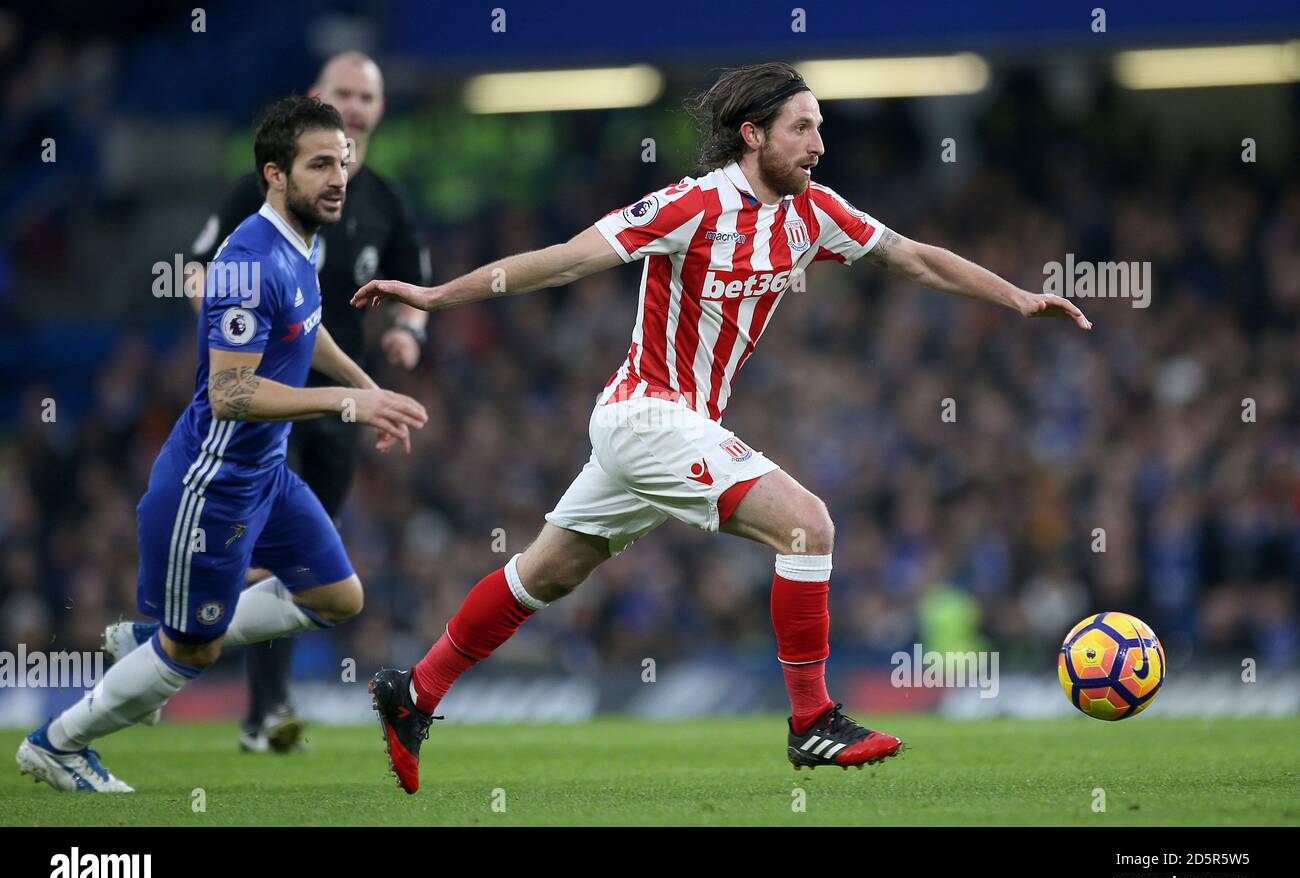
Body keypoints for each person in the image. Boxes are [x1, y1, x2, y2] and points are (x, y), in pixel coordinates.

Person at [352, 63, 1091, 794]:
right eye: (802, 128)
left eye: (821, 128)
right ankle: (813, 721)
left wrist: (1017, 296)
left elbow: (916, 258)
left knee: (547, 572)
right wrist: (435, 295)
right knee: (808, 525)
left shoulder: (815, 213)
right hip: (645, 411)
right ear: (753, 135)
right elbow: (565, 260)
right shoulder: (690, 206)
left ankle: (414, 691)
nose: (818, 144)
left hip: (673, 424)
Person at [16, 96, 428, 792]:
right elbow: (229, 394)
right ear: (274, 173)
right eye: (320, 164)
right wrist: (344, 401)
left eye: (344, 162)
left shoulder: (306, 243)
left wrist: (367, 388)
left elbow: (307, 327)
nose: (338, 177)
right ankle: (57, 741)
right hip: (214, 486)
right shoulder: (244, 262)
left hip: (268, 474)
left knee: (339, 597)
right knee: (195, 649)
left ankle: (151, 640)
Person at [108, 52, 432, 753]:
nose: (353, 105)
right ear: (320, 97)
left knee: (310, 566)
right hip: (270, 390)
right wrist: (228, 324)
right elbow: (203, 269)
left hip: (337, 396)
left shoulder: (384, 202)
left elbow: (415, 288)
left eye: (365, 96)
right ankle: (256, 701)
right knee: (259, 546)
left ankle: (182, 645)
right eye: (341, 92)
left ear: (377, 110)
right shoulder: (267, 192)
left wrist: (406, 336)